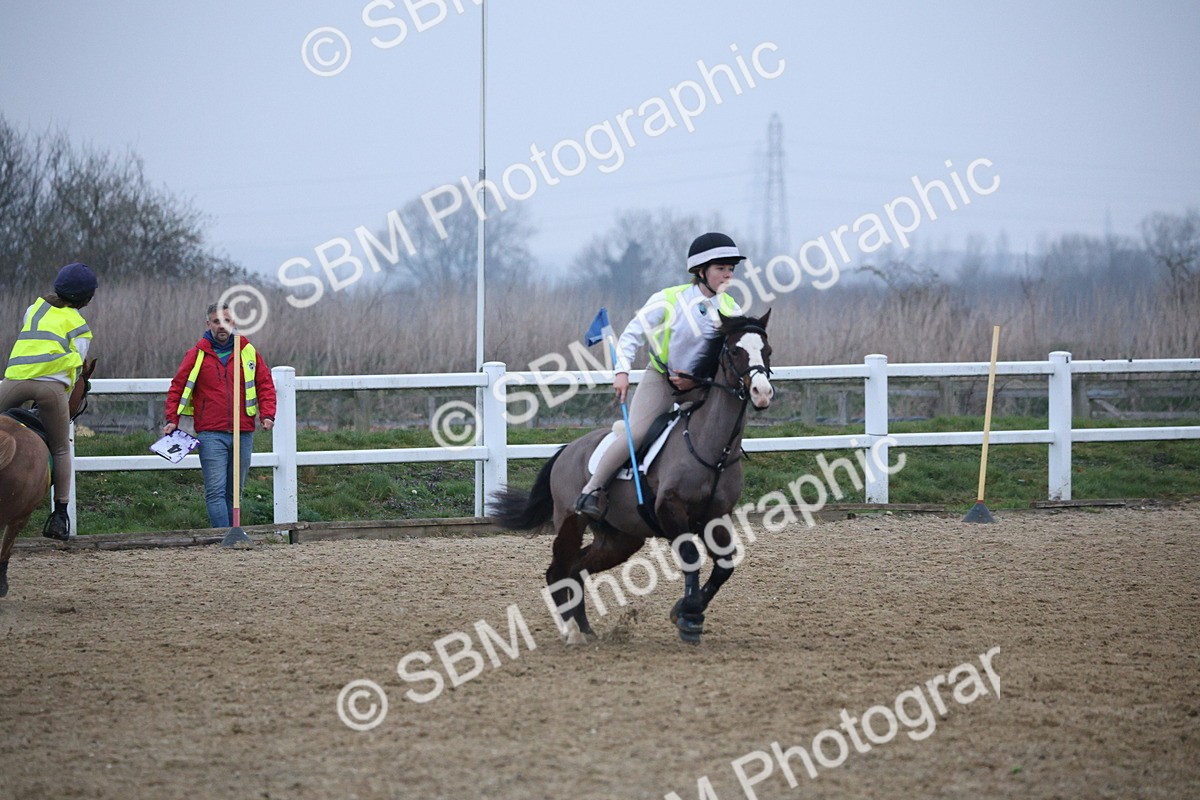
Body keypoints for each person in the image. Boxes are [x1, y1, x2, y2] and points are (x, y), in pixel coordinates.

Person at [575, 232, 745, 517]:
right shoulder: (668, 299)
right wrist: (622, 372)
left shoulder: (731, 308)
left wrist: (697, 381)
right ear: (701, 271)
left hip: (701, 386)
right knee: (638, 432)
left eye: (731, 269)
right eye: (721, 269)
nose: (728, 275)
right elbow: (631, 335)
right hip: (662, 380)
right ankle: (591, 490)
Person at [0, 262, 99, 540]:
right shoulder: (80, 327)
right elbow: (77, 365)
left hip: (15, 380)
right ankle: (60, 514)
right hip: (50, 388)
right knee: (60, 447)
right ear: (86, 299)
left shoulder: (34, 309)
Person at [163, 303, 276, 528]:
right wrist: (171, 419)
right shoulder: (196, 354)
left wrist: (268, 414)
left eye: (226, 321)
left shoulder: (248, 351)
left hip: (243, 431)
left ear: (234, 323)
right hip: (210, 433)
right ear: (208, 324)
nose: (221, 326)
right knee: (216, 491)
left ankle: (231, 535)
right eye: (216, 322)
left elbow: (265, 384)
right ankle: (225, 537)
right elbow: (178, 386)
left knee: (235, 492)